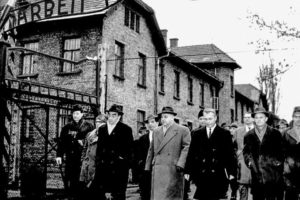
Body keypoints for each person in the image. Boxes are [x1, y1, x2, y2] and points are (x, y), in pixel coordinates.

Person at [186, 108, 237, 200]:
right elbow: (191, 154)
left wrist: (232, 172)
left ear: (215, 118)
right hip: (202, 173)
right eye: (205, 119)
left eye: (210, 119)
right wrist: (188, 171)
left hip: (219, 174)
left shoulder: (224, 133)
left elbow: (230, 155)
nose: (208, 121)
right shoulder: (197, 134)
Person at [145, 106, 191, 200]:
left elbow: (186, 147)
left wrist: (181, 163)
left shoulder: (182, 130)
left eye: (166, 117)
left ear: (172, 117)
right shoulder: (156, 131)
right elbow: (151, 149)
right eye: (162, 117)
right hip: (158, 168)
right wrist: (148, 166)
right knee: (158, 196)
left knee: (171, 196)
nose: (163, 119)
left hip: (173, 169)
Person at [93, 104, 134, 200]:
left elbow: (130, 150)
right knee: (101, 195)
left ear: (119, 117)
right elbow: (99, 149)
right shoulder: (102, 129)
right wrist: (98, 162)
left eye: (114, 115)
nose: (110, 117)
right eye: (109, 115)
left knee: (117, 196)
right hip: (103, 169)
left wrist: (124, 162)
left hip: (118, 170)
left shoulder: (126, 130)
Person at [243, 107, 285, 200]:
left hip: (272, 175)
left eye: (261, 117)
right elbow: (246, 152)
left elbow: (281, 152)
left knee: (271, 196)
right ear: (253, 119)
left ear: (266, 119)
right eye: (256, 117)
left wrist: (276, 163)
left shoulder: (275, 133)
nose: (259, 120)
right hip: (257, 175)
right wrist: (250, 162)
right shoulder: (249, 135)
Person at [56, 104, 94, 200]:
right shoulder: (67, 127)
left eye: (77, 113)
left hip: (83, 158)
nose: (75, 115)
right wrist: (59, 156)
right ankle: (71, 196)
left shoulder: (89, 127)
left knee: (82, 179)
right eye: (74, 113)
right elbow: (61, 143)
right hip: (70, 158)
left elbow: (93, 142)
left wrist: (84, 143)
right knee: (70, 179)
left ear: (82, 114)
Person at [79, 114, 107, 199]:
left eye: (101, 122)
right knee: (86, 191)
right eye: (97, 122)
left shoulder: (107, 136)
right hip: (87, 165)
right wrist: (83, 159)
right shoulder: (90, 134)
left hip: (98, 167)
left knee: (98, 192)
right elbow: (85, 148)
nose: (98, 124)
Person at [136, 114, 159, 200]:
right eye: (148, 122)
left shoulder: (163, 136)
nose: (150, 124)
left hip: (158, 170)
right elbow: (139, 155)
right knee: (145, 193)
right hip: (145, 171)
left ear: (157, 123)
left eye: (153, 122)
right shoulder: (143, 139)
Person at [233, 112, 254, 200]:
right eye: (245, 117)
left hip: (255, 162)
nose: (247, 119)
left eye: (249, 117)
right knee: (242, 185)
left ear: (253, 118)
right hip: (242, 162)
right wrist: (237, 155)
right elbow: (233, 146)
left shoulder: (258, 130)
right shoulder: (238, 131)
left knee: (257, 188)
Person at [283, 106, 300, 200]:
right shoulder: (286, 133)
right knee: (290, 194)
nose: (298, 119)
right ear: (293, 117)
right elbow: (281, 152)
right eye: (296, 116)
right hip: (290, 171)